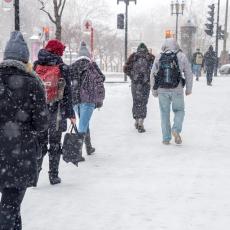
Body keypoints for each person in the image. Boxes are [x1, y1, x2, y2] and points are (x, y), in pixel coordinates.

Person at [0, 31, 48, 230]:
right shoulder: (33, 83)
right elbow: (41, 123)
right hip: (20, 153)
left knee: (10, 205)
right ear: (25, 58)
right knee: (11, 203)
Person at [34, 39, 76, 185]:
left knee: (39, 143)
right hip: (56, 111)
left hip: (39, 112)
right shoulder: (62, 67)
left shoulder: (36, 65)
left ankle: (35, 174)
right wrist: (71, 114)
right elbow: (68, 94)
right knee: (55, 144)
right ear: (58, 52)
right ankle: (53, 175)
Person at [151, 38, 193, 145]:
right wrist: (188, 89)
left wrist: (154, 90)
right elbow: (188, 73)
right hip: (177, 89)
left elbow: (153, 74)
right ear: (176, 45)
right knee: (179, 110)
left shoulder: (159, 56)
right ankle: (176, 129)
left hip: (162, 90)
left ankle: (166, 138)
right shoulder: (182, 56)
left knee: (164, 114)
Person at [70, 41, 105, 158]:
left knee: (84, 122)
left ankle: (88, 147)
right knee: (83, 125)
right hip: (88, 99)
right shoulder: (91, 65)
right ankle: (78, 153)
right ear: (88, 55)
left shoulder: (73, 66)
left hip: (75, 100)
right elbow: (102, 78)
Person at [124, 43, 155, 133]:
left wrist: (132, 77)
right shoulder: (150, 57)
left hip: (135, 83)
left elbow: (126, 69)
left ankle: (136, 120)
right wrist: (150, 79)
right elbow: (156, 69)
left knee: (136, 101)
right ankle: (141, 121)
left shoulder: (133, 56)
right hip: (146, 83)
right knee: (144, 102)